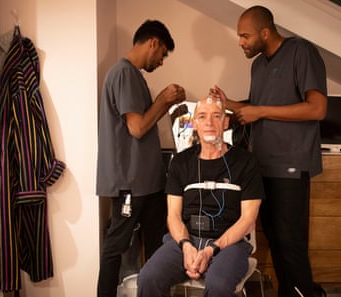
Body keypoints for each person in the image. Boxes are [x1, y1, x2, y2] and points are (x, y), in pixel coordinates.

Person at [210, 5, 328, 297]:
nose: (241, 42)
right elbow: (256, 109)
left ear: (265, 32)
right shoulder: (258, 65)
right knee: (275, 240)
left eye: (245, 36)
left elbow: (317, 108)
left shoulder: (301, 52)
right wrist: (230, 104)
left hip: (290, 164)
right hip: (261, 167)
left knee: (291, 243)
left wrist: (258, 111)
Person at [137, 96, 264, 297]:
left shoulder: (246, 163)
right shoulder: (180, 163)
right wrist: (186, 246)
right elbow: (174, 216)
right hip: (185, 241)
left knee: (219, 286)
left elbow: (248, 220)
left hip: (229, 244)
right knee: (148, 277)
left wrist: (212, 249)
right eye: (202, 116)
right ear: (195, 123)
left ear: (225, 122)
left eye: (216, 116)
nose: (209, 123)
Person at [96, 19, 186, 297]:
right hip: (129, 183)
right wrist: (162, 99)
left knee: (159, 247)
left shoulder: (134, 75)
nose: (161, 62)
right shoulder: (123, 73)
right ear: (153, 43)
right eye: (162, 55)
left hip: (147, 182)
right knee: (116, 246)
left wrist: (167, 104)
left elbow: (142, 124)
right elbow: (137, 128)